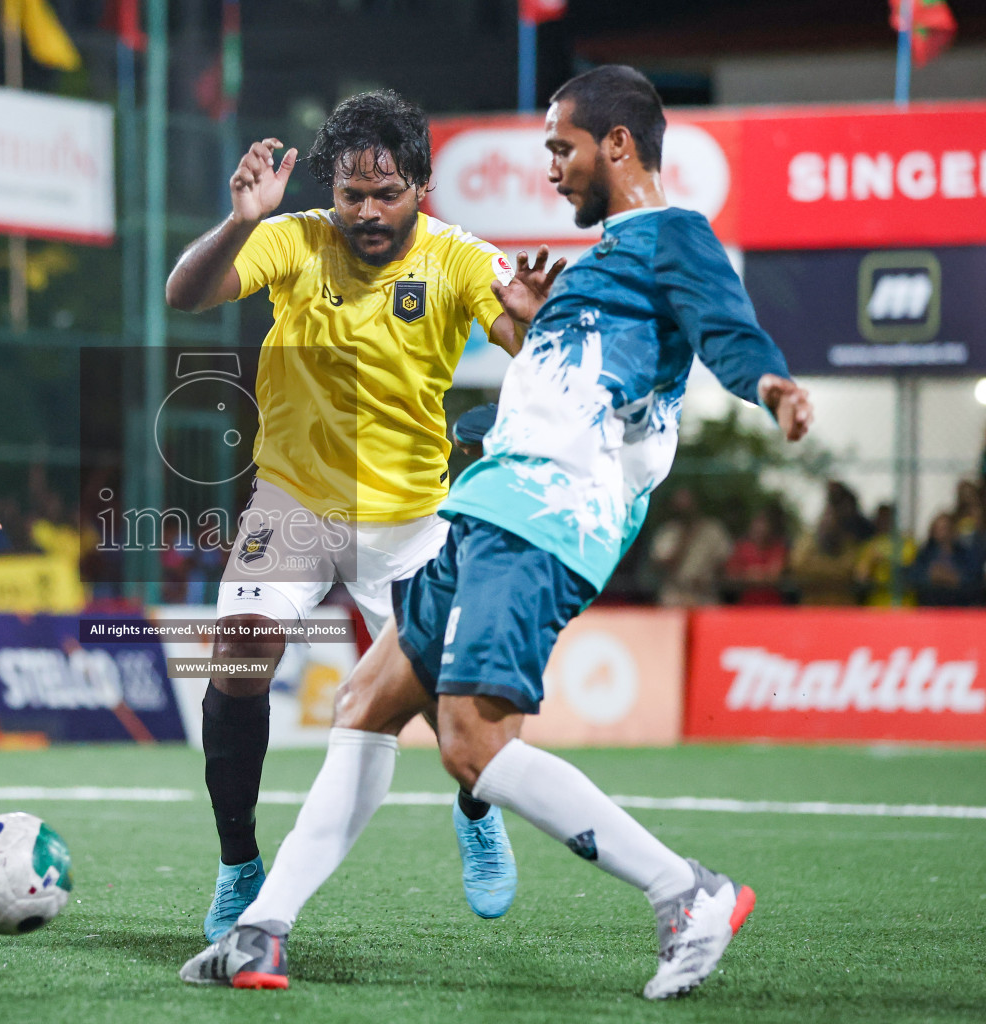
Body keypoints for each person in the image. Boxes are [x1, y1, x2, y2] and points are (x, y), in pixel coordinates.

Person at [180, 65, 813, 999]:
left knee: (470, 742)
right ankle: (261, 928)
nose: (550, 166)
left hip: (542, 517)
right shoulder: (596, 261)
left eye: (561, 145)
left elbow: (724, 327)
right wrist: (534, 328)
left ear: (619, 145)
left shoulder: (667, 238)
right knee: (363, 707)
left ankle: (687, 891)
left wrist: (769, 383)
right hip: (480, 501)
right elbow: (559, 371)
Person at [165, 91, 524, 940]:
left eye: (386, 193)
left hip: (410, 522)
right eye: (351, 193)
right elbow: (187, 293)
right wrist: (239, 221)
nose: (366, 210)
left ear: (423, 185)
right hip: (292, 505)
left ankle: (477, 811)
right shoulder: (295, 238)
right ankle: (237, 864)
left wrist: (534, 317)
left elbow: (520, 328)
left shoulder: (460, 256)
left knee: (457, 705)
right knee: (238, 655)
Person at [648, 489, 733, 606]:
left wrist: (709, 580)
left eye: (688, 502)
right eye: (680, 504)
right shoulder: (667, 532)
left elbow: (726, 562)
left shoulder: (713, 530)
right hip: (674, 595)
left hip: (705, 595)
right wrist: (684, 538)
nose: (684, 507)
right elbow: (661, 565)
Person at [724, 506, 789, 606]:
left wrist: (749, 573)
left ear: (770, 527)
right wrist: (761, 574)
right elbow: (732, 574)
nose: (760, 528)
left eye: (764, 524)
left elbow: (774, 575)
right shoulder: (741, 548)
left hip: (773, 607)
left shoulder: (778, 548)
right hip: (746, 606)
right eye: (757, 524)